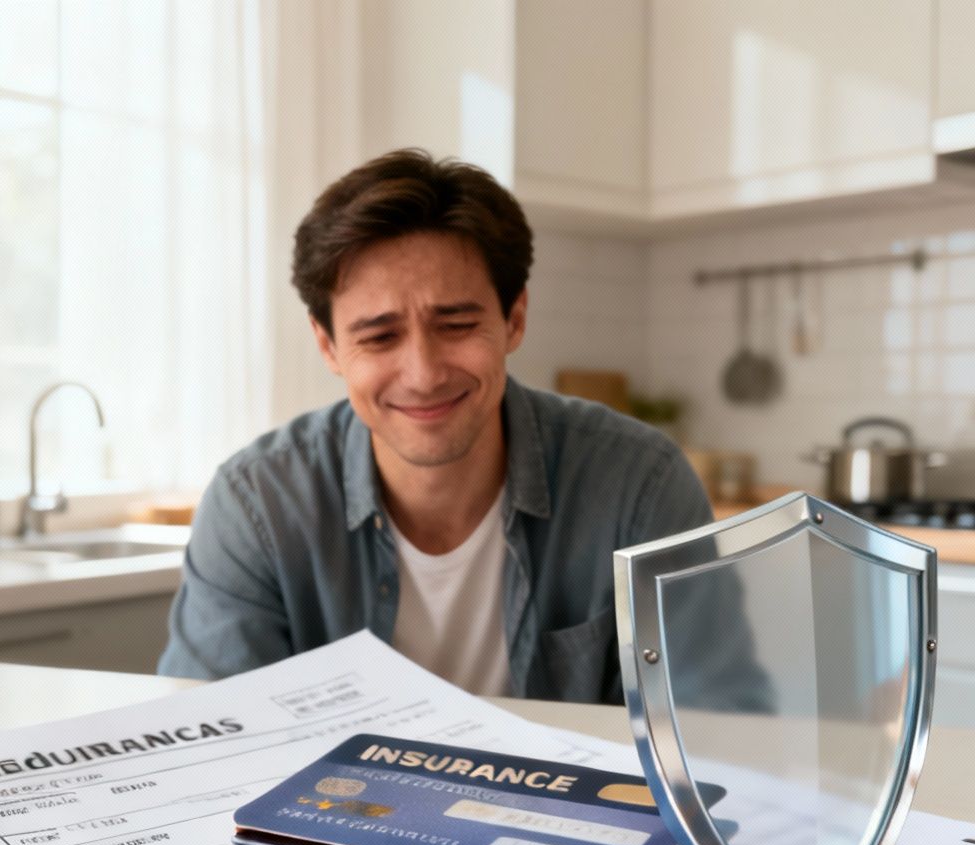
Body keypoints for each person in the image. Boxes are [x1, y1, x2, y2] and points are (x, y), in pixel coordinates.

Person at [159, 149, 713, 704]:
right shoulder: (256, 505)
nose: (423, 376)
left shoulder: (643, 485)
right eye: (379, 338)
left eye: (457, 324)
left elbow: (715, 731)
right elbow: (212, 738)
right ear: (328, 345)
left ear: (514, 319)